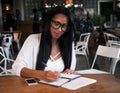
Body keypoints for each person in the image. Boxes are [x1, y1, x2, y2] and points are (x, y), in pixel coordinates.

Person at [12, 6, 76, 82]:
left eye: (63, 26)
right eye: (56, 23)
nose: (59, 29)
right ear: (49, 22)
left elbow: (71, 69)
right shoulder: (33, 40)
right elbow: (16, 68)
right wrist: (42, 75)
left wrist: (69, 72)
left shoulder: (69, 45)